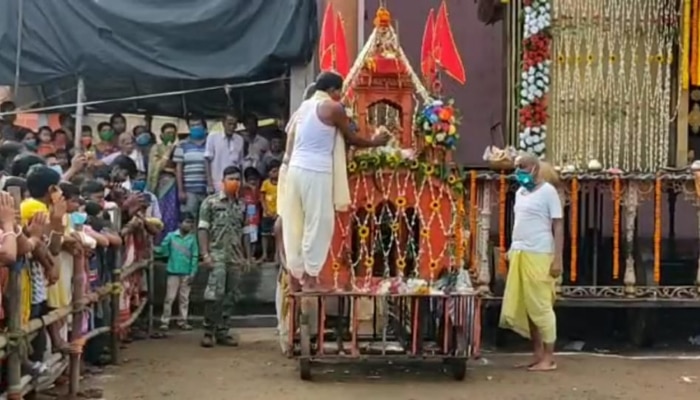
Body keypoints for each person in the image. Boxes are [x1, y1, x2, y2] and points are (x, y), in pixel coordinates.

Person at [283, 71, 389, 291]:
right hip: (316, 171)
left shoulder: (303, 108)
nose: (340, 96)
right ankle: (311, 278)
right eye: (339, 91)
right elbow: (352, 138)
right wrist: (376, 141)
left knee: (295, 224)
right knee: (320, 222)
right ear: (332, 90)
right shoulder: (333, 107)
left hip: (294, 170)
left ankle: (296, 277)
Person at [499, 152, 564, 372]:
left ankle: (549, 357)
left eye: (523, 168)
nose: (519, 173)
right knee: (528, 308)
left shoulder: (549, 192)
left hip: (541, 253)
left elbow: (558, 226)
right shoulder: (520, 192)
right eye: (517, 168)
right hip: (520, 252)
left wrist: (558, 259)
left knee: (541, 307)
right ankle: (537, 355)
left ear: (535, 169)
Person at [198, 165, 245, 347]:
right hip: (216, 254)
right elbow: (203, 229)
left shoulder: (241, 205)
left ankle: (223, 331)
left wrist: (246, 256)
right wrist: (205, 254)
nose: (235, 182)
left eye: (237, 179)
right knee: (214, 294)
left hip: (235, 256)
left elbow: (246, 231)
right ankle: (208, 331)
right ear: (223, 181)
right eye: (231, 178)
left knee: (231, 295)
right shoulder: (210, 202)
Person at [156, 213, 198, 331]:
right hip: (173, 271)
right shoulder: (171, 236)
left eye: (190, 223)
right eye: (186, 222)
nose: (189, 225)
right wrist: (154, 250)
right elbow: (163, 250)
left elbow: (195, 256)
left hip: (186, 273)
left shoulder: (192, 239)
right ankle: (165, 321)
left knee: (184, 298)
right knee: (169, 298)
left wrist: (193, 272)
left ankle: (183, 321)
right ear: (179, 224)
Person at [147, 123, 179, 243]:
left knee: (172, 214)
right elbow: (155, 166)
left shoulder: (178, 148)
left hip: (173, 185)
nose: (170, 135)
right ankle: (158, 243)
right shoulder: (156, 148)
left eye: (173, 133)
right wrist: (167, 155)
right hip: (159, 186)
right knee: (159, 213)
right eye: (167, 133)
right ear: (161, 135)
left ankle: (169, 242)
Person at [174, 116, 208, 218]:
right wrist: (181, 191)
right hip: (189, 191)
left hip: (207, 190)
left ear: (204, 126)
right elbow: (178, 168)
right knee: (189, 220)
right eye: (192, 126)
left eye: (198, 124)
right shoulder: (182, 144)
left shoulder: (211, 142)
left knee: (206, 220)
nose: (195, 127)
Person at [204, 112, 244, 193]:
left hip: (234, 182)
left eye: (234, 124)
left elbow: (241, 163)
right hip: (217, 182)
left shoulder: (240, 139)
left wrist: (241, 183)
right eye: (229, 124)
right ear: (223, 123)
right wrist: (209, 183)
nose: (232, 127)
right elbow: (207, 160)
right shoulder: (213, 137)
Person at [260, 160, 280, 260]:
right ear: (268, 173)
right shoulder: (265, 183)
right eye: (273, 171)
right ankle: (264, 254)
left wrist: (278, 212)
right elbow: (262, 198)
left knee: (277, 235)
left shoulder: (282, 183)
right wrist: (266, 210)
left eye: (277, 171)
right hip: (267, 213)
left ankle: (277, 254)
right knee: (265, 234)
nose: (276, 173)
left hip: (278, 214)